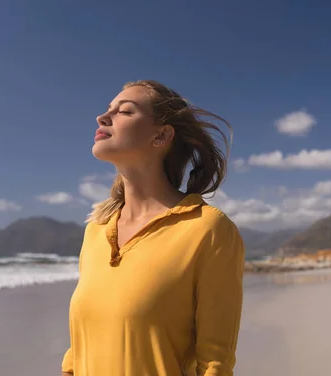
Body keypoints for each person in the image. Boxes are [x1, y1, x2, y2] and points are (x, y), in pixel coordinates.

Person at [61, 80, 245, 376]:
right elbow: (76, 353)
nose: (102, 117)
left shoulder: (208, 229)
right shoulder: (95, 231)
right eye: (107, 109)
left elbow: (215, 364)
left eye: (125, 111)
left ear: (161, 135)